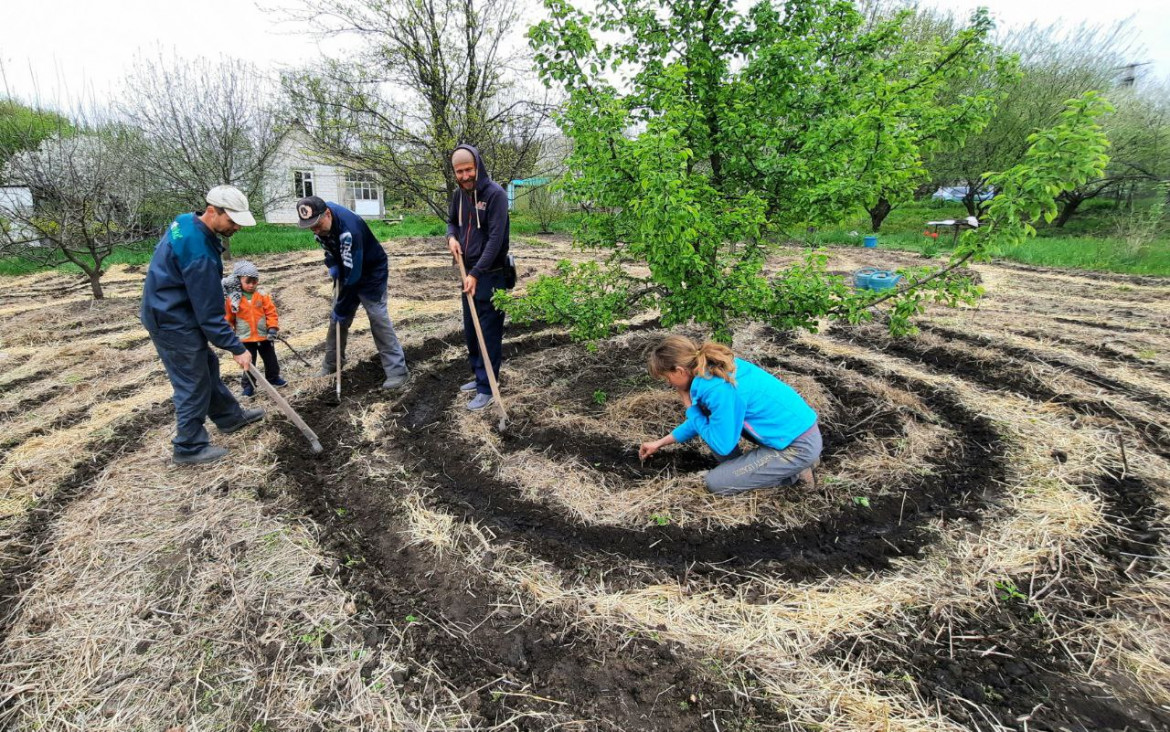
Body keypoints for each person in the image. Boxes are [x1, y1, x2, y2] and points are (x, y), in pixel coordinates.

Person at [140, 185, 265, 465]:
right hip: (171, 318)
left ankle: (230, 417)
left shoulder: (185, 221)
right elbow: (210, 315)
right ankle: (188, 446)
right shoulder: (201, 257)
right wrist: (237, 348)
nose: (237, 228)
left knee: (206, 368)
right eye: (232, 221)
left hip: (172, 308)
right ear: (212, 211)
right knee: (192, 382)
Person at [638, 335, 822, 496]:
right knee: (711, 427)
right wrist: (660, 442)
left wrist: (690, 407)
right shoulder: (714, 369)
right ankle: (757, 470)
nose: (669, 384)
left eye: (666, 377)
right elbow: (705, 421)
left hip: (796, 446)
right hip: (789, 436)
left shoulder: (718, 388)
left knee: (716, 483)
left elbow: (722, 445)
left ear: (679, 370)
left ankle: (796, 475)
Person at [296, 196, 409, 390]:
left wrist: (342, 305)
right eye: (309, 226)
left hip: (371, 271)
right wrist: (333, 266)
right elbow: (330, 251)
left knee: (377, 318)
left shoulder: (350, 231)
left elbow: (354, 277)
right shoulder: (321, 220)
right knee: (336, 320)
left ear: (328, 214)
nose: (314, 229)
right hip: (348, 267)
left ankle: (397, 372)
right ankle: (331, 365)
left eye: (316, 224)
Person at [446, 144, 510, 411]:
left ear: (478, 166)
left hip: (491, 274)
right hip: (468, 272)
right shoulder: (459, 195)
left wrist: (475, 272)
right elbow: (451, 222)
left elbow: (495, 240)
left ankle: (487, 387)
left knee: (489, 332)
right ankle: (479, 376)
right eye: (459, 172)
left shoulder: (495, 195)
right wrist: (451, 238)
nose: (464, 176)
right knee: (472, 331)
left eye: (468, 170)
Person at [223, 259, 287, 397]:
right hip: (245, 338)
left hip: (264, 336)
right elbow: (229, 319)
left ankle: (273, 378)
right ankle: (248, 387)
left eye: (255, 282)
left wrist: (273, 328)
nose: (252, 285)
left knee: (271, 360)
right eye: (248, 282)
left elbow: (271, 312)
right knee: (249, 364)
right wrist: (230, 335)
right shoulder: (232, 300)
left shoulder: (262, 296)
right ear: (239, 280)